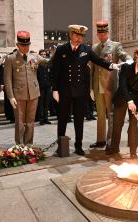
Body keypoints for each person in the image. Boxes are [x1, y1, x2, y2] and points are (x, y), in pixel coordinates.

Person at [51, 24, 119, 156]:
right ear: (71, 35)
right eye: (76, 36)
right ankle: (61, 146)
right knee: (63, 119)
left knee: (79, 119)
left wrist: (111, 65)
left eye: (81, 36)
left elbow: (98, 60)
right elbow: (56, 71)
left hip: (80, 91)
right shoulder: (61, 49)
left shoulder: (86, 49)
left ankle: (79, 145)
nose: (79, 39)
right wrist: (55, 89)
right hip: (65, 90)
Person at [89, 20, 132, 149]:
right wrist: (91, 87)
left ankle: (110, 141)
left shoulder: (115, 46)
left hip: (110, 85)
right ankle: (100, 140)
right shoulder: (94, 48)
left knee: (111, 114)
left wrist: (129, 59)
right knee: (100, 115)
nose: (102, 36)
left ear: (107, 33)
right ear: (97, 34)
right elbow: (93, 69)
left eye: (104, 33)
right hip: (98, 86)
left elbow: (123, 55)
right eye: (99, 34)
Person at [106, 49, 138, 159]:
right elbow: (123, 86)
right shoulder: (127, 67)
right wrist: (129, 101)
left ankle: (133, 152)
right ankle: (114, 148)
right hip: (122, 97)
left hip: (137, 101)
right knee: (117, 124)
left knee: (134, 126)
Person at [37, 49, 52, 125]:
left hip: (48, 86)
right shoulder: (37, 64)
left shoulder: (48, 64)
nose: (43, 56)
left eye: (44, 55)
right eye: (42, 54)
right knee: (41, 103)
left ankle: (46, 118)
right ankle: (41, 119)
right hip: (40, 87)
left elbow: (50, 75)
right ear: (39, 56)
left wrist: (51, 84)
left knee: (46, 103)